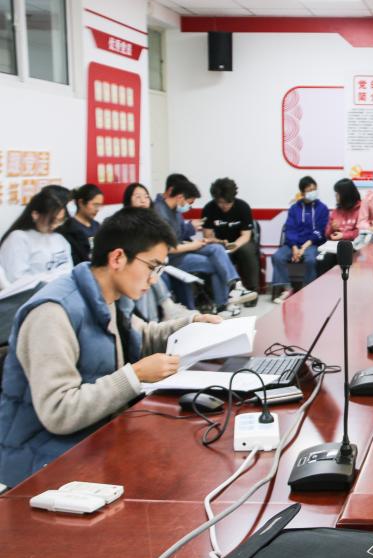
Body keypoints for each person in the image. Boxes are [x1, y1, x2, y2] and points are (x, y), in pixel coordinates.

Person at [0, 208, 223, 487]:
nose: (154, 279)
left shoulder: (109, 295)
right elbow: (59, 411)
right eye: (152, 267)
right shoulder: (53, 313)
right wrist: (135, 375)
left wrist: (191, 324)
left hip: (92, 438)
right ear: (117, 258)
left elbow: (141, 337)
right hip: (41, 467)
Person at [154, 179, 256, 315]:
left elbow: (179, 233)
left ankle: (236, 286)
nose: (189, 207)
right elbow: (167, 248)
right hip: (172, 257)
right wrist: (193, 245)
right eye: (189, 203)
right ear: (180, 197)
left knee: (217, 249)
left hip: (183, 248)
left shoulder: (174, 210)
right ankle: (223, 304)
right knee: (216, 263)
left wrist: (193, 231)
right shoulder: (160, 213)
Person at [122, 182, 191, 322]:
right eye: (138, 197)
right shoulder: (124, 222)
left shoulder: (153, 221)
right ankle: (165, 308)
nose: (143, 200)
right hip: (132, 267)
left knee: (151, 277)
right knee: (148, 278)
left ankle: (156, 319)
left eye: (146, 197)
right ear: (129, 201)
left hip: (155, 266)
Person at [271, 176, 329, 303]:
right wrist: (294, 248)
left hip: (312, 244)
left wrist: (303, 248)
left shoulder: (322, 208)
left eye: (315, 189)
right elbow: (290, 229)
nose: (313, 192)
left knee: (310, 260)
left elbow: (320, 230)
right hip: (293, 245)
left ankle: (309, 290)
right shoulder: (294, 209)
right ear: (302, 193)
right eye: (310, 190)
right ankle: (287, 289)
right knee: (277, 257)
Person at [0, 189, 72, 287]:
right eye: (51, 220)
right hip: (32, 294)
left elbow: (69, 270)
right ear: (35, 215)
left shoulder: (59, 238)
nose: (55, 225)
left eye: (60, 220)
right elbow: (15, 279)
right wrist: (50, 279)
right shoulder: (19, 238)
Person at [202, 178, 259, 301]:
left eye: (227, 203)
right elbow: (207, 236)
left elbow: (246, 235)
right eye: (220, 202)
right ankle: (223, 293)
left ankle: (251, 291)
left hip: (241, 241)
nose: (224, 206)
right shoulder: (209, 208)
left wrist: (234, 245)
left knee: (247, 252)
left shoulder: (243, 207)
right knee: (215, 252)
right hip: (220, 242)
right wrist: (220, 242)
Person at [58, 184, 104, 265]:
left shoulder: (97, 225)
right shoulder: (69, 229)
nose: (97, 209)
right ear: (81, 203)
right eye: (95, 205)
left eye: (100, 205)